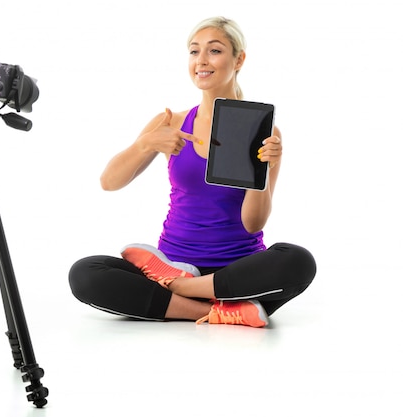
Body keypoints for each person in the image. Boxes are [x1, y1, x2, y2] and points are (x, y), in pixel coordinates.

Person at [68, 16, 317, 328]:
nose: (201, 61)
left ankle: (184, 293)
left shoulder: (264, 131)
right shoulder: (171, 121)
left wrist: (259, 171)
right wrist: (145, 145)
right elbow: (109, 182)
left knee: (298, 261)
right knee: (85, 274)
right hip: (172, 263)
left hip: (239, 272)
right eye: (194, 51)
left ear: (238, 59)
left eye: (214, 51)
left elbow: (253, 224)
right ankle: (220, 309)